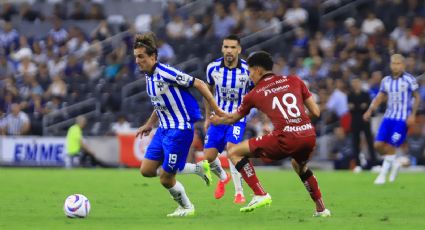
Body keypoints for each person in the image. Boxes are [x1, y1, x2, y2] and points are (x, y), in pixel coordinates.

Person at [210, 51, 331, 217]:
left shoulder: (254, 94)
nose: (249, 76)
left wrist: (217, 119)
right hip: (308, 135)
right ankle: (321, 209)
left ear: (258, 70)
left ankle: (260, 193)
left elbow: (233, 117)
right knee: (300, 166)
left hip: (286, 137)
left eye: (250, 71)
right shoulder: (294, 80)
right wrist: (296, 123)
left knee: (234, 152)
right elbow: (316, 112)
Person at [134, 32, 225, 217]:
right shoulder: (148, 76)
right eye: (136, 57)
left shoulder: (167, 73)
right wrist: (149, 124)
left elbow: (199, 84)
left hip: (179, 130)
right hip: (163, 130)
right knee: (147, 170)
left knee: (166, 178)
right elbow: (160, 103)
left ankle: (186, 207)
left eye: (141, 57)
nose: (137, 61)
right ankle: (198, 168)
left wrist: (216, 109)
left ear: (153, 57)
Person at [204, 34, 252, 204]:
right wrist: (207, 117)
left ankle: (239, 193)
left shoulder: (248, 70)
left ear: (239, 49)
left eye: (232, 47)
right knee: (209, 156)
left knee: (232, 150)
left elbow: (255, 93)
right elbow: (207, 92)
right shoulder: (212, 68)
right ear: (222, 49)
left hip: (237, 118)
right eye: (226, 47)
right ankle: (224, 178)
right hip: (218, 118)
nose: (229, 51)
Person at [363, 54, 420, 184]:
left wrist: (413, 114)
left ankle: (382, 175)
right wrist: (370, 110)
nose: (396, 66)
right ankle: (395, 162)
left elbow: (417, 97)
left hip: (402, 120)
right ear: (390, 65)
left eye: (398, 63)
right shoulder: (386, 81)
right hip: (388, 118)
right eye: (394, 63)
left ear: (403, 65)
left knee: (390, 146)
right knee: (378, 146)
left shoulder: (409, 79)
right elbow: (380, 97)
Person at [348, 77, 377, 172]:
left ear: (360, 83)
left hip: (365, 120)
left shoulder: (365, 94)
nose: (356, 84)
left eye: (357, 82)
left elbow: (367, 106)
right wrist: (360, 106)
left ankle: (374, 164)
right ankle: (357, 165)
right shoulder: (350, 95)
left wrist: (356, 107)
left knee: (370, 142)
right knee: (355, 143)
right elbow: (350, 107)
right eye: (354, 83)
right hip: (355, 120)